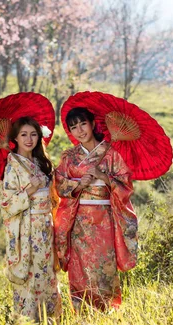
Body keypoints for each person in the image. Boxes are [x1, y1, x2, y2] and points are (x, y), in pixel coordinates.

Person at [54, 107, 138, 311]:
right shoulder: (69, 157)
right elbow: (59, 184)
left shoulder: (111, 154)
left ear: (92, 124)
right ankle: (82, 312)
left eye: (83, 124)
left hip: (104, 220)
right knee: (79, 267)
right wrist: (78, 185)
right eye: (74, 127)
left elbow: (125, 184)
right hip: (79, 221)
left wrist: (104, 177)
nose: (80, 130)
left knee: (104, 267)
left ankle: (106, 311)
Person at [0, 116, 62, 322]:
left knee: (46, 274)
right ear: (15, 138)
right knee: (30, 278)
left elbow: (53, 198)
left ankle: (50, 321)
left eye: (33, 134)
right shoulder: (11, 167)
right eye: (24, 134)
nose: (29, 139)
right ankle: (27, 323)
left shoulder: (40, 162)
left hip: (45, 227)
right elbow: (7, 206)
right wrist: (32, 187)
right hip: (26, 231)